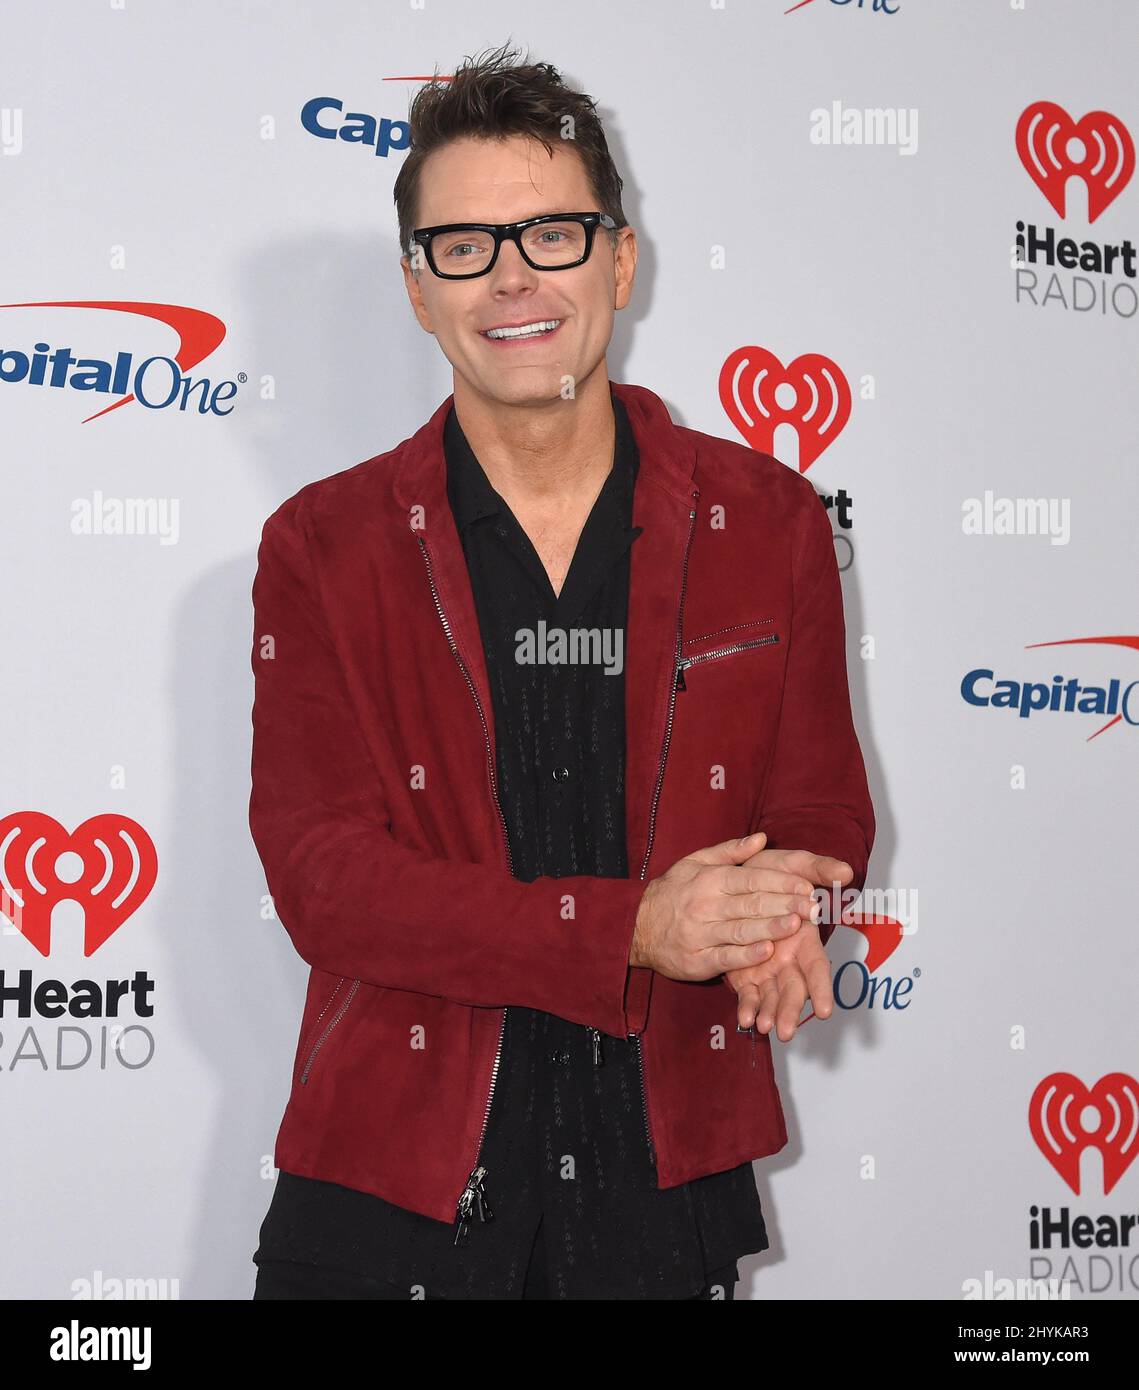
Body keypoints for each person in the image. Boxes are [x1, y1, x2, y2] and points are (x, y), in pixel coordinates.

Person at [247, 42, 875, 1301]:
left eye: (553, 233)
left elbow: (816, 816)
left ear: (620, 259)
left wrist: (771, 918)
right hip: (390, 1195)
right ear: (419, 289)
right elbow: (325, 883)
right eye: (464, 245)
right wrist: (632, 928)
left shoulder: (768, 521)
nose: (512, 278)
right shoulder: (322, 543)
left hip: (662, 1186)